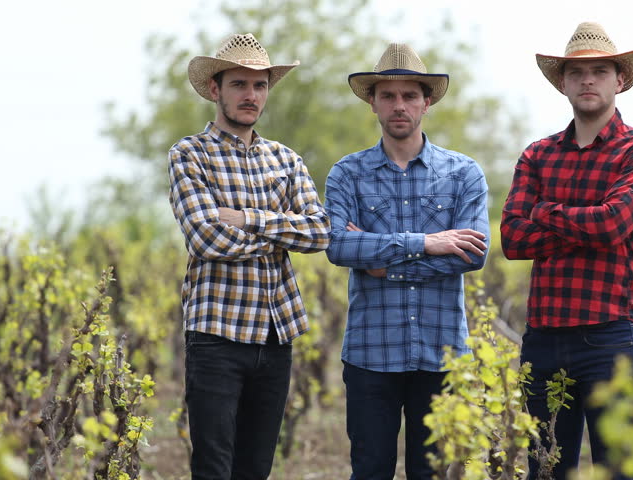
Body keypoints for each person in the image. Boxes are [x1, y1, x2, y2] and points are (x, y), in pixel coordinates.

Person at [500, 22, 633, 480]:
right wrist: (586, 221)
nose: (588, 80)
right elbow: (513, 241)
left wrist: (545, 211)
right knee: (544, 470)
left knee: (619, 471)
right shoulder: (538, 155)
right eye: (577, 73)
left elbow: (613, 224)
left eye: (599, 71)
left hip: (610, 337)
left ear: (620, 80)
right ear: (563, 83)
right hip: (544, 337)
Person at [324, 43, 490, 480]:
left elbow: (473, 254)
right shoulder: (347, 173)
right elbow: (338, 246)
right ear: (373, 103)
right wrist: (428, 243)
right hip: (369, 354)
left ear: (427, 102)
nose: (400, 105)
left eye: (410, 96)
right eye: (388, 96)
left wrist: (380, 261)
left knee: (432, 473)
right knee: (371, 470)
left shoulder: (463, 173)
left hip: (441, 354)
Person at [168, 33, 330, 479]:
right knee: (214, 467)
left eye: (260, 85)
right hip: (216, 333)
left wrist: (246, 219)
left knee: (256, 468)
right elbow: (206, 239)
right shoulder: (190, 155)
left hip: (276, 335)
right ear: (216, 89)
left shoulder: (286, 160)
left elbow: (319, 232)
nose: (251, 95)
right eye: (239, 84)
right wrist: (281, 230)